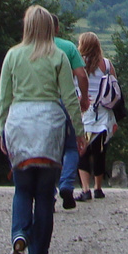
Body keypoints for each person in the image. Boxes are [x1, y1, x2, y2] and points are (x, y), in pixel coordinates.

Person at [0, 5, 86, 254]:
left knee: (22, 188)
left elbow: (4, 99)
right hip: (49, 124)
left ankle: (19, 235)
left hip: (20, 123)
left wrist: (3, 130)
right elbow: (70, 97)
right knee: (45, 194)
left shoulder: (13, 55)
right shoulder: (58, 56)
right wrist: (79, 132)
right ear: (50, 27)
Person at [54, 15, 90, 209]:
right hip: (66, 101)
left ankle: (48, 192)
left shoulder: (30, 48)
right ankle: (66, 184)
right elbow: (81, 74)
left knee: (48, 147)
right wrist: (84, 97)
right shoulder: (68, 47)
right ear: (57, 29)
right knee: (72, 145)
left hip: (42, 103)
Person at [75, 31, 116, 201]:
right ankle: (98, 187)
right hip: (103, 112)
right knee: (100, 151)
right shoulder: (106, 64)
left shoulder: (77, 64)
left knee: (82, 150)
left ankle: (85, 189)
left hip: (83, 110)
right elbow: (115, 87)